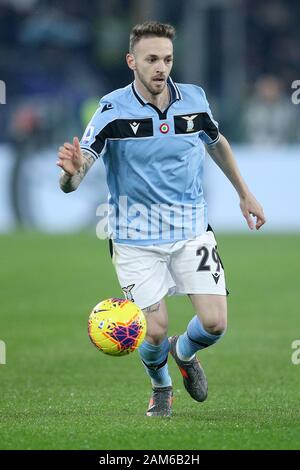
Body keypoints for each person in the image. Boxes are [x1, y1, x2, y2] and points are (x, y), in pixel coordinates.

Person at [57, 21, 266, 417]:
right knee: (152, 330)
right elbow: (77, 172)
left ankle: (183, 352)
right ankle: (161, 386)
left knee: (215, 324)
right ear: (132, 61)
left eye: (167, 59)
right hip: (135, 238)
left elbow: (216, 142)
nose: (161, 68)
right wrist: (70, 172)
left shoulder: (194, 100)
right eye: (152, 59)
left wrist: (245, 193)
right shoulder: (110, 110)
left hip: (191, 232)